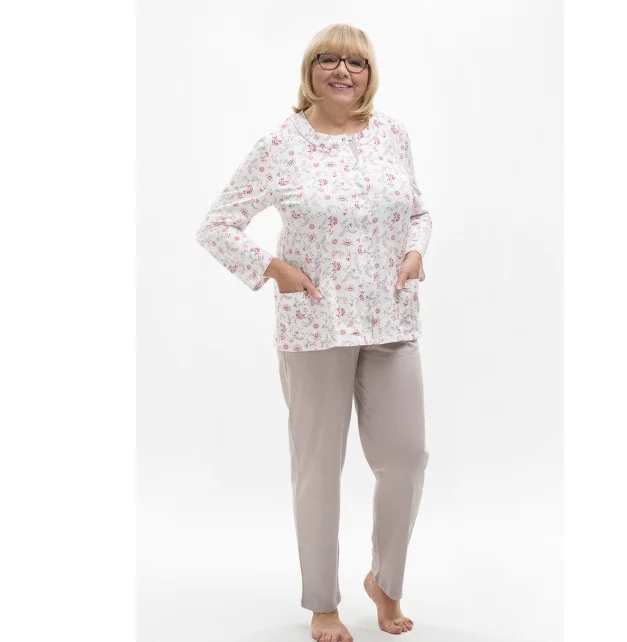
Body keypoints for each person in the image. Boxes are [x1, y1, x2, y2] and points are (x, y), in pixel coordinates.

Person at [195, 23, 432, 641]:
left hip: (390, 321)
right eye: (328, 60)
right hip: (315, 327)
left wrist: (415, 251)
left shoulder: (392, 135)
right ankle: (323, 603)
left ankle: (385, 581)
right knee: (318, 470)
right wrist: (274, 269)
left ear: (370, 73)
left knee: (406, 458)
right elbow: (217, 225)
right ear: (309, 71)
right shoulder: (282, 144)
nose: (342, 71)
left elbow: (417, 211)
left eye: (355, 62)